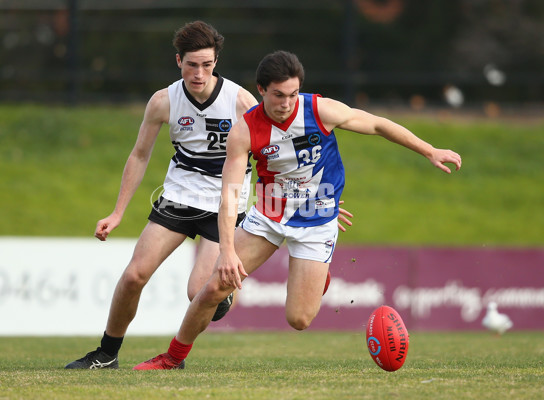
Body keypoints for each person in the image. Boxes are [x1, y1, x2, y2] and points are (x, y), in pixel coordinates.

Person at [133, 50, 462, 370]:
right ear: (261, 90)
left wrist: (428, 149)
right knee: (213, 287)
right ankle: (172, 358)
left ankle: (319, 276)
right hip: (269, 216)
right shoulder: (245, 130)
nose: (286, 103)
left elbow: (377, 125)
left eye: (292, 94)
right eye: (278, 95)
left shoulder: (320, 110)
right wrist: (227, 251)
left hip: (317, 221)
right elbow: (230, 195)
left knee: (299, 319)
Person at [64, 21, 259, 370]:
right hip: (180, 196)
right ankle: (107, 354)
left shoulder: (241, 101)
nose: (198, 74)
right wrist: (117, 212)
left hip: (224, 203)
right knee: (134, 275)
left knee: (197, 291)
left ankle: (207, 313)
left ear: (216, 63)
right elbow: (139, 156)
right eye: (191, 65)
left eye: (207, 65)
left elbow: (272, 152)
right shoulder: (163, 102)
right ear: (178, 61)